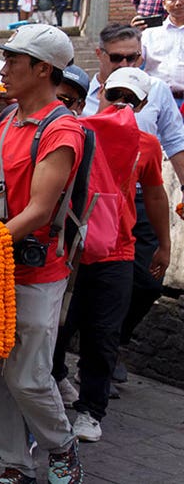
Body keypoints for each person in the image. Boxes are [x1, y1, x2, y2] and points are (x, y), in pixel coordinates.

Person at [0, 23, 84, 484]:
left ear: (43, 69)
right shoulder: (4, 121)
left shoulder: (62, 129)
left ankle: (61, 446)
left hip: (36, 267)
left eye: (13, 61)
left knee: (28, 376)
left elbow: (38, 210)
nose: (3, 69)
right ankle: (15, 463)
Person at [52, 67, 172, 444]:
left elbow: (154, 194)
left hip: (117, 250)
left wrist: (164, 245)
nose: (121, 103)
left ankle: (91, 410)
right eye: (116, 94)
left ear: (143, 104)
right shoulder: (79, 129)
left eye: (131, 99)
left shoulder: (146, 144)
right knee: (56, 327)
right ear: (101, 92)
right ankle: (56, 378)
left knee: (103, 334)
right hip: (69, 248)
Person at [81, 24, 184, 380]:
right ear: (100, 56)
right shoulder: (81, 93)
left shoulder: (155, 91)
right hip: (88, 205)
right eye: (117, 57)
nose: (126, 62)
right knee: (83, 283)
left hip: (137, 201)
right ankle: (90, 354)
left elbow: (174, 141)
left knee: (146, 282)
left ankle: (112, 343)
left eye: (133, 56)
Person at [136, 0, 184, 104]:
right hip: (157, 100)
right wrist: (133, 37)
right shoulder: (149, 33)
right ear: (164, 3)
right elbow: (134, 63)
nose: (178, 3)